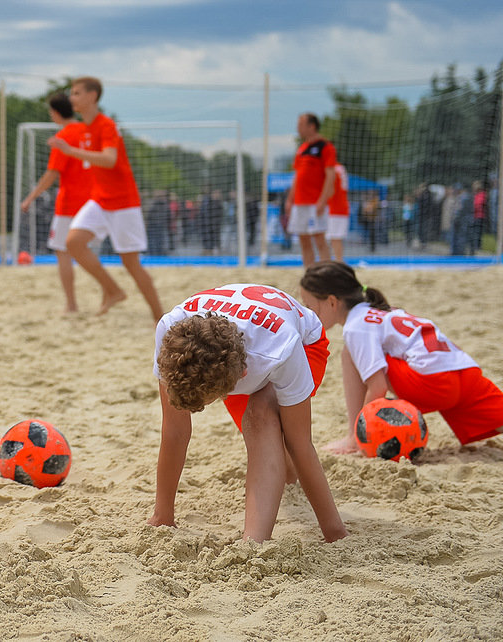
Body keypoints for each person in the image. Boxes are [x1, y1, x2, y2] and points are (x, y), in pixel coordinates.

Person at [149, 283, 347, 543]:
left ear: (239, 380)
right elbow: (175, 431)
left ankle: (252, 545)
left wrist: (334, 532)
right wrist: (163, 517)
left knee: (261, 418)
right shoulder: (171, 333)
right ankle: (280, 472)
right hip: (243, 340)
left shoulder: (283, 350)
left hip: (305, 342)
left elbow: (301, 444)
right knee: (283, 466)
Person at [298, 261, 503, 455]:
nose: (309, 314)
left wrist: (363, 435)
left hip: (431, 382)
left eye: (311, 306)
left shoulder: (357, 325)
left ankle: (352, 439)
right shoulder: (383, 311)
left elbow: (377, 388)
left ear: (332, 301)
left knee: (348, 354)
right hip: (464, 372)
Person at [47, 77, 164, 319]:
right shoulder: (84, 128)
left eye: (77, 93)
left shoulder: (106, 125)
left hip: (123, 203)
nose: (72, 98)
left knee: (131, 263)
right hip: (100, 199)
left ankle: (159, 317)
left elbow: (109, 159)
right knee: (73, 242)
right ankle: (112, 290)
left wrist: (70, 150)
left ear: (92, 96)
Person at [19, 92, 93, 312]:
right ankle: (107, 294)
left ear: (56, 112)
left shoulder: (65, 136)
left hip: (69, 203)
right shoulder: (89, 130)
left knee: (63, 252)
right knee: (86, 252)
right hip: (92, 203)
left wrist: (30, 198)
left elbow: (51, 174)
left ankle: (71, 304)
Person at [285, 112, 336, 267]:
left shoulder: (325, 146)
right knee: (303, 240)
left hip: (315, 202)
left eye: (300, 125)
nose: (297, 128)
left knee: (320, 239)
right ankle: (309, 274)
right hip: (299, 202)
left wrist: (322, 200)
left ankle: (327, 274)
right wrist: (290, 199)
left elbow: (330, 176)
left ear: (311, 126)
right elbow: (297, 176)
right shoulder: (302, 148)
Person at [326, 163, 350, 261]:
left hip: (334, 207)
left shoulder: (331, 169)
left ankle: (337, 263)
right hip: (342, 206)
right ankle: (338, 262)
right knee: (336, 238)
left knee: (334, 238)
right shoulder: (340, 168)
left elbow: (330, 190)